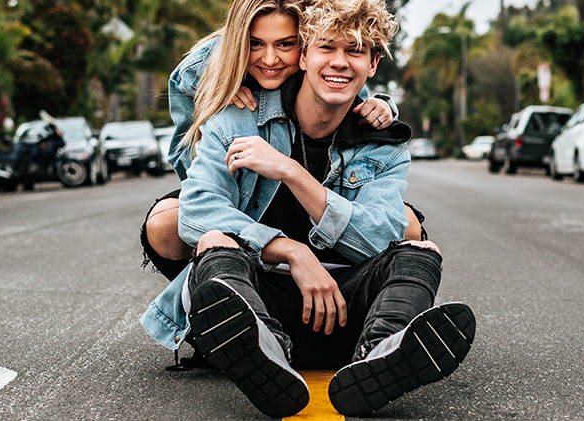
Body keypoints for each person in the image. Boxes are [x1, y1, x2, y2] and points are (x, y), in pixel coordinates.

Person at [140, 0, 475, 417]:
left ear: (372, 65)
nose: (339, 62)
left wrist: (293, 172)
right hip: (263, 292)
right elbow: (198, 210)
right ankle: (262, 351)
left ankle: (380, 353)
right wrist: (291, 250)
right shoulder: (233, 118)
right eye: (326, 48)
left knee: (420, 248)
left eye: (354, 52)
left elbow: (377, 238)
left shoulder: (381, 144)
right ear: (306, 55)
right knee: (210, 237)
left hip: (343, 304)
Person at [139, 0, 425, 282]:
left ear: (301, 46)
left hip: (308, 189)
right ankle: (214, 294)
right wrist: (220, 89)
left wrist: (382, 106)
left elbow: (346, 68)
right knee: (174, 224)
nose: (270, 59)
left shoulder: (326, 44)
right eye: (255, 44)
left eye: (285, 44)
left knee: (407, 228)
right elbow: (190, 168)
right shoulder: (221, 85)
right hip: (235, 186)